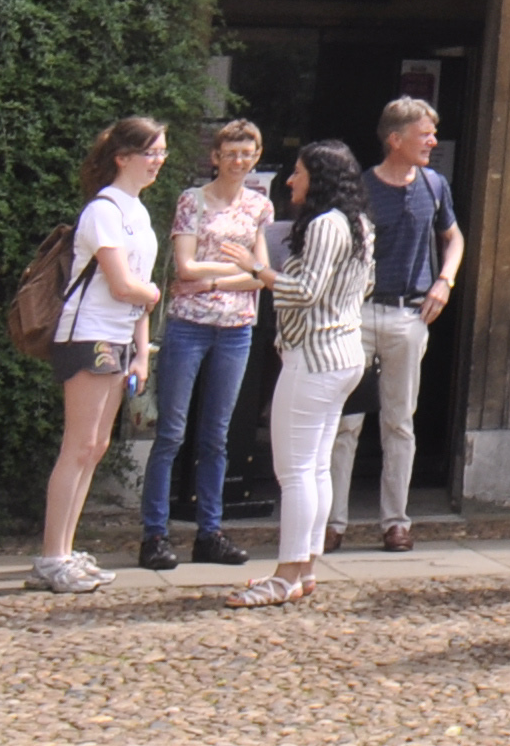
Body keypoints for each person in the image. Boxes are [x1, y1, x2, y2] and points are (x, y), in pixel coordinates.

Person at [230, 140, 376, 611]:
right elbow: (362, 285)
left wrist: (259, 269)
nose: (290, 180)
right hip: (341, 353)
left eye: (298, 172)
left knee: (293, 471)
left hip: (314, 356)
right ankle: (304, 567)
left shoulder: (325, 226)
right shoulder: (358, 224)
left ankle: (286, 573)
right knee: (313, 467)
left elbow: (304, 291)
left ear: (320, 178)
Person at [29, 115, 169, 594]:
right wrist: (148, 295)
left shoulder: (139, 212)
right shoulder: (103, 211)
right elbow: (125, 284)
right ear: (122, 157)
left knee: (97, 446)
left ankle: (65, 549)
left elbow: (142, 291)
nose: (157, 162)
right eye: (150, 152)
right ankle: (52, 555)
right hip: (87, 334)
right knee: (79, 444)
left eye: (161, 152)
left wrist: (141, 350)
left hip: (117, 335)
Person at [138, 118, 275, 572]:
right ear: (216, 157)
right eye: (231, 152)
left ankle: (209, 531)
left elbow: (262, 273)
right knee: (172, 432)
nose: (240, 160)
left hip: (236, 328)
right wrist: (238, 271)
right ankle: (155, 533)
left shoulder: (259, 205)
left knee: (217, 436)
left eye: (247, 152)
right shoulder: (192, 202)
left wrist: (216, 276)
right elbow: (183, 267)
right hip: (190, 325)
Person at [357, 95, 462, 552]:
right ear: (394, 139)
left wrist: (445, 280)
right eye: (425, 134)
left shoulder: (434, 184)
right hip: (360, 312)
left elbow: (453, 237)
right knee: (347, 423)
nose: (433, 142)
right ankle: (333, 521)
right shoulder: (361, 187)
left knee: (400, 422)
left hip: (409, 313)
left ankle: (395, 520)